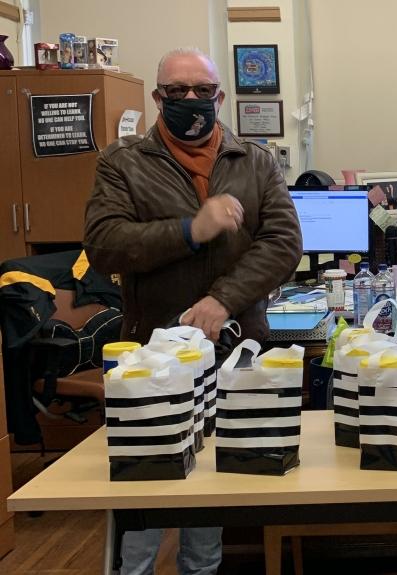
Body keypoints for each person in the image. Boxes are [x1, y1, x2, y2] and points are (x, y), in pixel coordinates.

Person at [84, 47, 302, 575]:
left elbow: (282, 241)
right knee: (142, 502)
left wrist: (223, 298)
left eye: (202, 90)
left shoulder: (254, 160)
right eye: (177, 91)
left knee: (211, 497)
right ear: (158, 98)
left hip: (234, 353)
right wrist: (190, 230)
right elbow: (104, 243)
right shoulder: (124, 162)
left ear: (219, 96)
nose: (191, 100)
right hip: (151, 362)